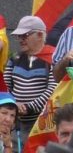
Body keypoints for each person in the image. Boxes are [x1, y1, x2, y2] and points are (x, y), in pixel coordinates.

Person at [4, 16, 56, 144]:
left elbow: (52, 89)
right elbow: (5, 86)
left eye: (25, 35)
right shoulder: (15, 59)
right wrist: (13, 104)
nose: (20, 39)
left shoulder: (53, 58)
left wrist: (28, 107)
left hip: (40, 124)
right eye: (19, 36)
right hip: (14, 122)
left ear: (40, 35)